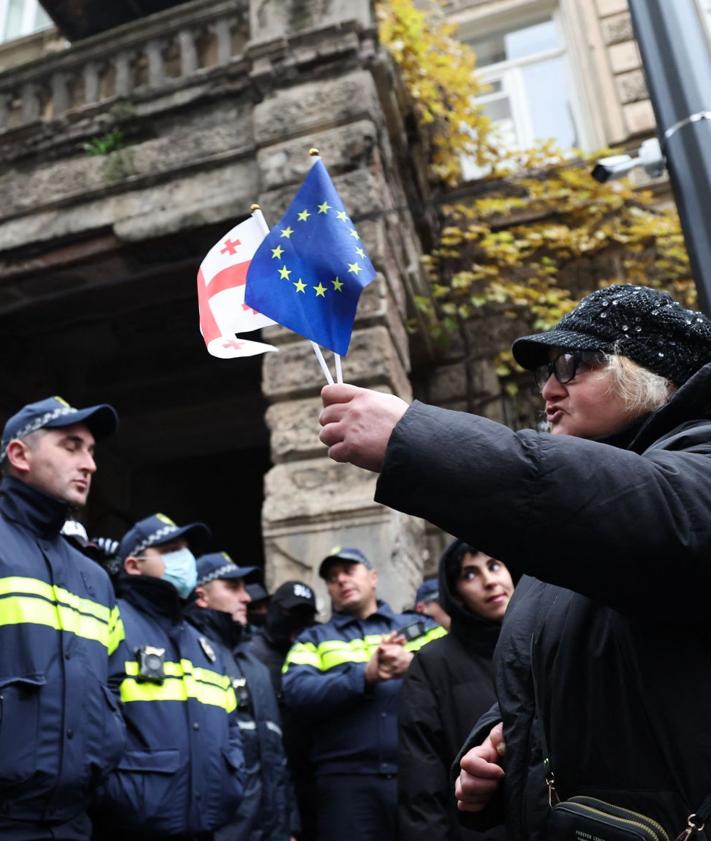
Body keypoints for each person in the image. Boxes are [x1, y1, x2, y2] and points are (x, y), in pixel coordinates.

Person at [318, 284, 711, 841]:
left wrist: (415, 439)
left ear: (650, 373)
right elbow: (564, 675)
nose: (549, 391)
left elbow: (650, 513)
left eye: (573, 365)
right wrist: (498, 748)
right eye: (548, 372)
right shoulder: (569, 536)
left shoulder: (692, 465)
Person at [0, 395, 125, 840]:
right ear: (19, 455)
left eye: (91, 450)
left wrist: (107, 741)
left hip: (73, 820)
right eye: (71, 446)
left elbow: (114, 680)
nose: (89, 464)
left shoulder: (94, 577)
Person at [92, 514, 245, 841]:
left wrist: (232, 785)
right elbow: (89, 715)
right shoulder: (111, 622)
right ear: (133, 565)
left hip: (203, 825)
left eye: (186, 549)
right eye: (170, 550)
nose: (185, 558)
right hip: (129, 827)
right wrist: (116, 792)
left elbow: (230, 727)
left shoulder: (203, 644)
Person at [282, 547, 445, 841]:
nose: (341, 580)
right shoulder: (314, 640)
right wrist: (364, 676)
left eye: (349, 571)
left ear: (372, 577)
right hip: (346, 785)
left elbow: (459, 670)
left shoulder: (419, 628)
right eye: (332, 578)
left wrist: (414, 663)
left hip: (420, 775)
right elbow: (296, 693)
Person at [398, 541, 512, 840]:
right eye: (470, 574)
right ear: (456, 594)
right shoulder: (432, 663)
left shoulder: (545, 645)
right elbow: (421, 780)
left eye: (494, 565)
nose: (490, 580)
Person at [186, 552, 299, 841]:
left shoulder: (255, 666)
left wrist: (289, 825)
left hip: (271, 828)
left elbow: (277, 756)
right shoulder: (190, 655)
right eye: (232, 587)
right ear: (202, 596)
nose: (246, 597)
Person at [249, 580, 319, 841]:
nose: (297, 622)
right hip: (270, 770)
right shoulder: (252, 654)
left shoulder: (314, 650)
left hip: (310, 769)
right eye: (290, 613)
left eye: (305, 615)